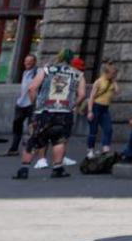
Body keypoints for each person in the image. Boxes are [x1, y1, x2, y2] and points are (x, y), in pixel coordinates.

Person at [15, 50, 84, 180]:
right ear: (71, 60)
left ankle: (24, 169)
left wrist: (35, 103)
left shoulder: (46, 70)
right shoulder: (78, 74)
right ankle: (57, 168)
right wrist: (73, 105)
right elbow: (81, 95)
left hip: (44, 110)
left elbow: (32, 88)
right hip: (64, 111)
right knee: (59, 140)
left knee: (34, 139)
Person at [7, 54, 41, 157]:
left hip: (32, 104)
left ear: (34, 62)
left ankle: (31, 149)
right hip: (21, 104)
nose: (28, 63)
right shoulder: (25, 72)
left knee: (32, 127)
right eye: (26, 61)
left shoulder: (37, 72)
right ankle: (14, 148)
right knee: (17, 126)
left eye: (30, 61)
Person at [84, 61, 119, 159]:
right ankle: (90, 150)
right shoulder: (99, 81)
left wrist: (114, 80)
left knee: (108, 129)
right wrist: (90, 111)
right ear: (106, 73)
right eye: (112, 74)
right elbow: (91, 97)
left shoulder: (111, 82)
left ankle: (105, 148)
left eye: (114, 74)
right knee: (93, 130)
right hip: (96, 106)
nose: (113, 76)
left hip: (105, 108)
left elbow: (117, 91)